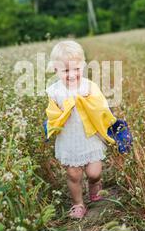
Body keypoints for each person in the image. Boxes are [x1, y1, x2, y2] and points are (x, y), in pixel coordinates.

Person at [44, 40, 117, 219]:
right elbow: (52, 114)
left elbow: (102, 107)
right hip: (69, 139)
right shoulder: (54, 91)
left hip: (89, 137)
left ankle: (95, 186)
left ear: (83, 66)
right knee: (73, 174)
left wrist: (90, 101)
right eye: (66, 70)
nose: (71, 75)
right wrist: (60, 115)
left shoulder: (89, 87)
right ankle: (78, 204)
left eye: (76, 69)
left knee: (94, 172)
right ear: (56, 70)